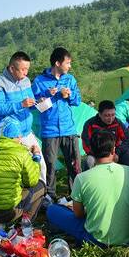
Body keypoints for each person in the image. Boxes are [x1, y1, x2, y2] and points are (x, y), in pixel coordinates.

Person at [46, 130, 129, 246]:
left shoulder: (82, 178)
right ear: (113, 150)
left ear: (91, 152)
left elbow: (78, 214)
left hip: (96, 239)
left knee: (52, 210)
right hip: (127, 236)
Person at [0, 51, 47, 186]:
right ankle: (19, 197)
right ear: (12, 68)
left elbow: (29, 103)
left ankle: (43, 195)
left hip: (27, 132)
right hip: (11, 137)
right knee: (17, 172)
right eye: (23, 69)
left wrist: (37, 102)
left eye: (27, 69)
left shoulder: (26, 81)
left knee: (40, 166)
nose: (26, 73)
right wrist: (21, 104)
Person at [0, 117, 45, 223]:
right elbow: (31, 181)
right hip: (5, 213)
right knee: (41, 186)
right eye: (19, 135)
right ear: (16, 136)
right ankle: (23, 225)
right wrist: (36, 156)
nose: (21, 137)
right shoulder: (22, 153)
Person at [32, 47, 82, 201]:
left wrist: (69, 95)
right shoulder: (39, 81)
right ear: (57, 63)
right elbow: (34, 106)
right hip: (50, 130)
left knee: (74, 164)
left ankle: (76, 195)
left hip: (68, 129)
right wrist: (47, 94)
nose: (69, 66)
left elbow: (77, 101)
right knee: (50, 165)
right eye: (67, 63)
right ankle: (49, 196)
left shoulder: (70, 79)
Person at [81, 100, 129, 169]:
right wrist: (100, 157)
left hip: (115, 153)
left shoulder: (117, 123)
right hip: (97, 155)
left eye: (113, 115)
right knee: (89, 161)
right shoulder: (90, 124)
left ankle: (127, 175)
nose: (111, 119)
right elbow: (86, 143)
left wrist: (117, 152)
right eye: (107, 115)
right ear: (99, 114)